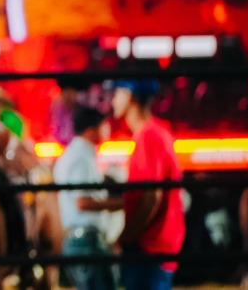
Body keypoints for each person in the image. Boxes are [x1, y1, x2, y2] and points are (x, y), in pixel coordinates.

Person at [84, 80, 185, 290]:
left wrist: (128, 237)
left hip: (149, 250)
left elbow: (150, 195)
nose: (113, 100)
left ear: (130, 96)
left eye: (118, 93)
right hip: (156, 247)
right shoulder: (155, 133)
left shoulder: (149, 136)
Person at [58, 106, 115, 290]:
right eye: (104, 126)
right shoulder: (81, 157)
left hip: (81, 240)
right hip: (86, 241)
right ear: (92, 130)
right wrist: (120, 204)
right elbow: (82, 202)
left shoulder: (77, 154)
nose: (108, 130)